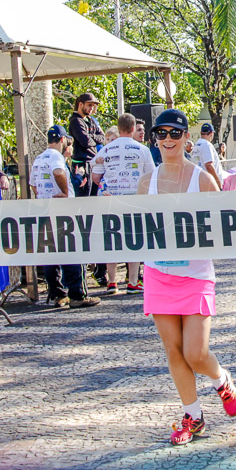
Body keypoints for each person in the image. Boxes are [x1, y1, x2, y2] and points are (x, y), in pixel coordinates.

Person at [136, 108, 236, 446]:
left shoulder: (202, 179)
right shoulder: (146, 181)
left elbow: (224, 223)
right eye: (161, 134)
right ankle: (193, 416)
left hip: (195, 274)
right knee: (174, 351)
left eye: (174, 133)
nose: (167, 140)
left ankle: (221, 380)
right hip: (157, 273)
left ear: (186, 138)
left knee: (196, 353)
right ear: (155, 139)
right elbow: (136, 226)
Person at [30, 125, 100, 309]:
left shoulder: (39, 158)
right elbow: (59, 172)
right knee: (72, 250)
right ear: (62, 140)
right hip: (63, 209)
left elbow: (33, 185)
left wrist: (43, 196)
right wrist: (63, 191)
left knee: (51, 253)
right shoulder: (56, 157)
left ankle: (57, 294)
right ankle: (77, 294)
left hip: (45, 208)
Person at [92, 113, 155, 294]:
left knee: (113, 239)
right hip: (134, 200)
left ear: (118, 129)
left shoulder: (106, 150)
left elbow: (96, 176)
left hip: (110, 199)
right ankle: (133, 281)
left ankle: (112, 282)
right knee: (133, 240)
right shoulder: (142, 149)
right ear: (133, 128)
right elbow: (150, 176)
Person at [68, 92, 105, 197]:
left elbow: (102, 137)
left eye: (93, 106)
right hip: (81, 164)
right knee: (84, 196)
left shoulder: (91, 120)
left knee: (94, 195)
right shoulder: (76, 121)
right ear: (80, 105)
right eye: (89, 105)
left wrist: (91, 137)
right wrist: (93, 138)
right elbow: (85, 141)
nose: (91, 108)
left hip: (93, 163)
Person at [194, 123, 223, 190]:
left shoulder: (197, 144)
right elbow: (209, 165)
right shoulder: (206, 145)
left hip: (200, 180)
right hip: (210, 183)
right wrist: (217, 181)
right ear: (211, 133)